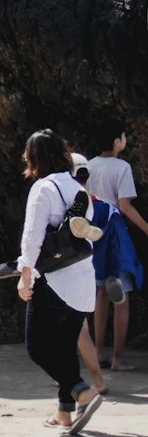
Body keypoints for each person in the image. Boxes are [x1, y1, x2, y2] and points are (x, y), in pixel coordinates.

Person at [16, 129, 101, 435]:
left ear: (33, 158)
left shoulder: (43, 188)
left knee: (38, 347)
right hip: (83, 279)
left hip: (54, 279)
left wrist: (25, 277)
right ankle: (64, 413)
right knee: (65, 347)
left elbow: (33, 237)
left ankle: (82, 392)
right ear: (63, 153)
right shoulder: (79, 188)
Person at [85, 117, 146, 372]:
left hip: (93, 233)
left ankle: (98, 352)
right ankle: (117, 359)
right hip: (115, 233)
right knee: (121, 296)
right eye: (123, 136)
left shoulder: (88, 166)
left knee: (100, 294)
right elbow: (124, 206)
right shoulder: (122, 168)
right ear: (116, 141)